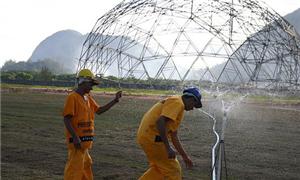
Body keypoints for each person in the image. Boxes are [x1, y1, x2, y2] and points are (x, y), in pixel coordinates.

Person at [62, 69, 122, 180]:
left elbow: (99, 110)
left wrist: (115, 100)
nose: (91, 87)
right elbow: (67, 119)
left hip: (85, 143)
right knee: (74, 171)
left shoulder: (87, 97)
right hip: (77, 143)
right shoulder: (72, 97)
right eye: (90, 84)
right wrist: (75, 138)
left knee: (86, 166)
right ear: (83, 82)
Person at [137, 87, 202, 180]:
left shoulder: (177, 105)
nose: (192, 108)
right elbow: (160, 122)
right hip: (152, 138)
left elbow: (174, 136)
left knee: (160, 169)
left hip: (147, 137)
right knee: (173, 170)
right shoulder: (177, 103)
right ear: (191, 98)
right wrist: (168, 148)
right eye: (194, 104)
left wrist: (185, 156)